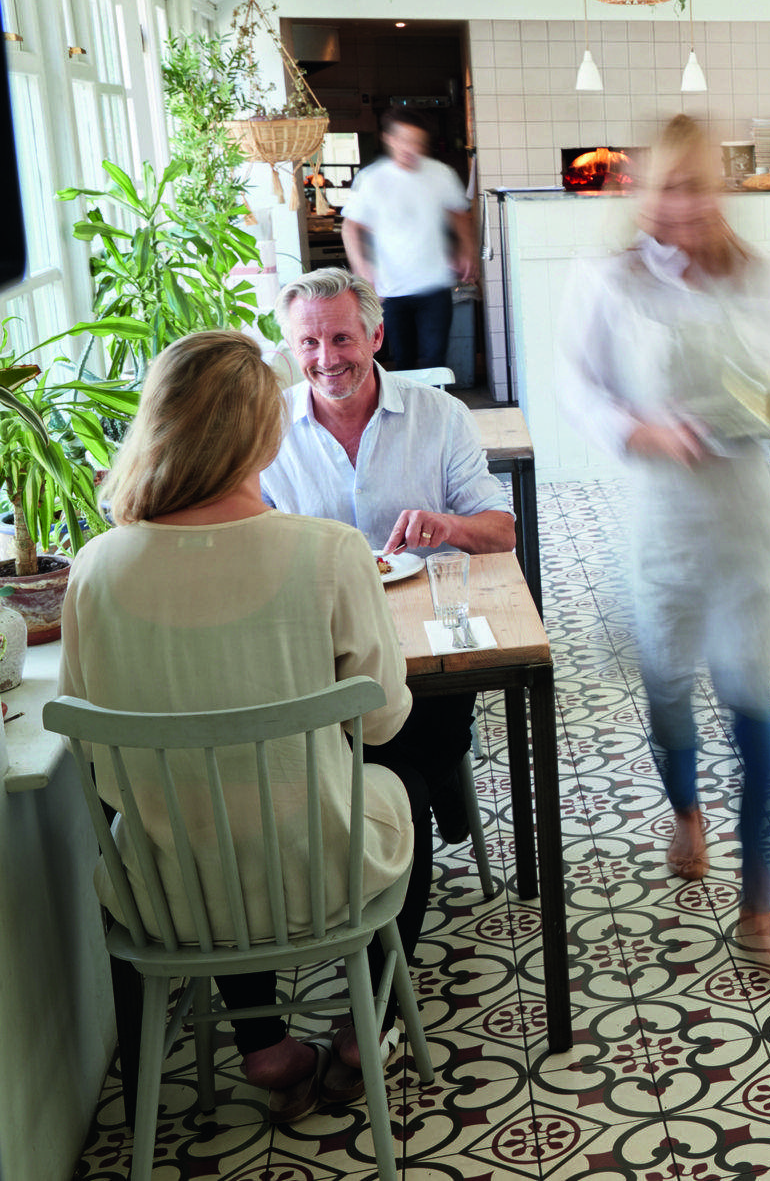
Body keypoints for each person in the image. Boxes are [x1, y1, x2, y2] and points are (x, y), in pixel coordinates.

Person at [63, 331, 425, 1123]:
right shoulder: (328, 553)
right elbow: (387, 719)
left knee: (203, 813)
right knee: (406, 791)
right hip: (323, 875)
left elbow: (94, 756)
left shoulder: (95, 567)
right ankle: (366, 1038)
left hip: (169, 896)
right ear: (265, 432)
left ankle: (262, 1048)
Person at [560, 114, 770, 970]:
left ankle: (758, 908)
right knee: (668, 691)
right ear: (646, 192)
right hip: (663, 519)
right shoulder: (612, 281)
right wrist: (638, 430)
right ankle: (685, 808)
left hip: (742, 519)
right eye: (672, 185)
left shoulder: (749, 275)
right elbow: (578, 384)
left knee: (754, 706)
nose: (687, 203)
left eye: (702, 185)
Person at [260, 267, 515, 845]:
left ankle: (408, 812)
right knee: (323, 764)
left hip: (425, 650)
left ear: (376, 338)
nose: (326, 357)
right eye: (308, 342)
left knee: (405, 765)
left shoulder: (441, 416)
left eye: (342, 338)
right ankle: (408, 808)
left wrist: (446, 522)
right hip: (315, 652)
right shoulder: (268, 426)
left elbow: (502, 530)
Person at [341, 108, 475, 373]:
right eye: (404, 140)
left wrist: (466, 250)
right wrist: (362, 269)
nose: (410, 148)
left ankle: (436, 412)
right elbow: (350, 227)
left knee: (435, 361)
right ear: (389, 139)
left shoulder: (440, 174)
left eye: (416, 142)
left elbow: (459, 215)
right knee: (403, 362)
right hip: (392, 290)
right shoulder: (372, 179)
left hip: (435, 285)